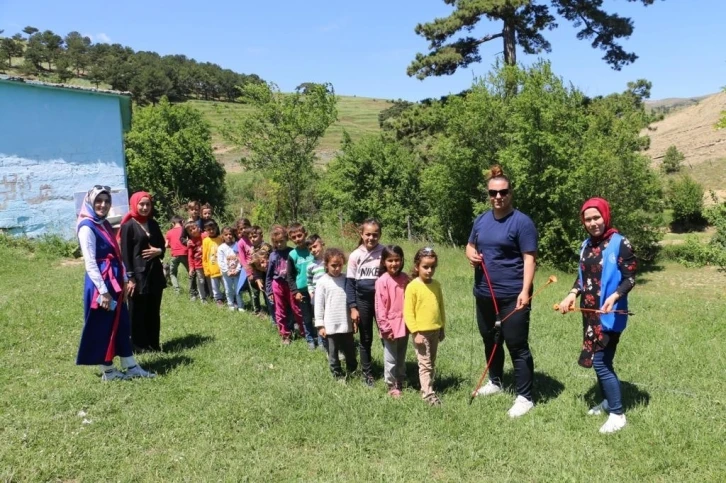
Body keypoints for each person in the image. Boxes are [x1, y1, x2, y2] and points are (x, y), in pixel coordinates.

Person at [557, 197, 636, 434]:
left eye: (596, 217)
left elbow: (630, 277)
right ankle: (607, 402)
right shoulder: (585, 245)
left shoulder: (620, 242)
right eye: (588, 219)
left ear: (605, 216)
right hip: (590, 313)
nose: (593, 223)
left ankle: (617, 414)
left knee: (601, 362)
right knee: (600, 361)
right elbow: (583, 278)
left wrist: (614, 297)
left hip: (610, 314)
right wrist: (572, 294)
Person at [466, 164, 538, 418]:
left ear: (510, 193)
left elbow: (530, 259)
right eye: (493, 193)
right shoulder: (481, 220)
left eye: (503, 192)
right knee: (490, 339)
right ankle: (495, 381)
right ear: (488, 194)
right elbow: (470, 245)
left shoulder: (522, 223)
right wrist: (470, 254)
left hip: (512, 295)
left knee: (517, 345)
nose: (498, 197)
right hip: (484, 293)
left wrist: (525, 291)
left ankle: (525, 397)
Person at [76, 186, 154, 380]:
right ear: (90, 202)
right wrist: (103, 291)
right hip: (101, 284)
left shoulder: (103, 223)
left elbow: (117, 254)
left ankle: (131, 366)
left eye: (106, 201)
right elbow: (90, 262)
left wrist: (125, 279)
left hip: (114, 281)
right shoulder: (87, 226)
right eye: (98, 201)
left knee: (121, 323)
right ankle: (108, 370)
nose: (103, 205)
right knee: (103, 325)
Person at [119, 191, 167, 353]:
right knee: (137, 311)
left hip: (155, 274)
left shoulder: (153, 224)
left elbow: (162, 245)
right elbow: (125, 254)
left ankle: (153, 344)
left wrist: (158, 251)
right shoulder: (128, 226)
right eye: (142, 204)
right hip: (137, 276)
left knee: (153, 310)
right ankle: (138, 346)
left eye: (148, 204)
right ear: (134, 204)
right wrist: (130, 278)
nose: (145, 207)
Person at [346, 218, 385, 387]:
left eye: (375, 235)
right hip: (363, 302)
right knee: (366, 338)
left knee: (386, 336)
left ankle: (391, 371)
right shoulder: (355, 255)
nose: (371, 238)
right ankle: (367, 374)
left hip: (383, 301)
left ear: (380, 235)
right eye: (367, 234)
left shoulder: (385, 252)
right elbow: (350, 284)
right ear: (361, 234)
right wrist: (353, 307)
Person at [404, 247, 445, 406]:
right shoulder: (413, 286)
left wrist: (442, 327)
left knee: (431, 362)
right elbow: (408, 312)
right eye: (425, 267)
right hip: (421, 333)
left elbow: (440, 306)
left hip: (435, 330)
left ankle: (429, 387)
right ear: (417, 267)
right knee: (425, 364)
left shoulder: (436, 285)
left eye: (432, 267)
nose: (429, 270)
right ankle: (427, 394)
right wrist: (415, 332)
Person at [315, 248, 358, 380]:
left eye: (340, 265)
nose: (337, 268)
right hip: (330, 325)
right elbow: (318, 304)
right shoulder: (322, 281)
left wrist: (354, 321)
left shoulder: (347, 279)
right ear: (326, 264)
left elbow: (352, 300)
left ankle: (353, 371)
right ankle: (337, 373)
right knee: (333, 351)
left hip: (346, 323)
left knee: (350, 349)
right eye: (333, 265)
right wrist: (320, 325)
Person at [375, 245, 409, 398]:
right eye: (390, 260)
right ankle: (391, 384)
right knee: (391, 358)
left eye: (397, 260)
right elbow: (380, 307)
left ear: (402, 261)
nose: (394, 263)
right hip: (389, 327)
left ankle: (400, 379)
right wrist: (385, 328)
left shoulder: (406, 278)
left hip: (405, 325)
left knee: (401, 355)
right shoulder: (382, 281)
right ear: (383, 262)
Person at [266, 225, 307, 345]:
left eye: (281, 241)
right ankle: (285, 334)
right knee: (280, 311)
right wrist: (269, 291)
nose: (279, 244)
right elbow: (268, 275)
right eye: (276, 242)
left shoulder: (292, 252)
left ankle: (304, 331)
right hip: (277, 285)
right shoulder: (273, 255)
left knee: (297, 309)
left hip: (291, 285)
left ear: (287, 239)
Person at [286, 223, 317, 350]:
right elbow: (290, 276)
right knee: (306, 316)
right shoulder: (292, 255)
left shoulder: (312, 249)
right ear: (291, 238)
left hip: (316, 289)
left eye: (300, 235)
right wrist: (295, 291)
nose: (298, 239)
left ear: (305, 234)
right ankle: (310, 338)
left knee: (318, 314)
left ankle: (321, 339)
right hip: (302, 291)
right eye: (294, 237)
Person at [306, 234, 327, 351]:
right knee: (319, 318)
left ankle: (331, 339)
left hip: (329, 295)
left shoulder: (329, 261)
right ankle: (321, 342)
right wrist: (311, 292)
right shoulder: (310, 266)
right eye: (310, 249)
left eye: (315, 246)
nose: (313, 250)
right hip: (316, 296)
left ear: (322, 244)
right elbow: (309, 282)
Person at [218, 226, 244, 311]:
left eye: (230, 234)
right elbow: (220, 261)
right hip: (226, 274)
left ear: (233, 235)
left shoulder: (237, 245)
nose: (228, 236)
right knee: (228, 289)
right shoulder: (221, 247)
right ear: (222, 236)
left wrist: (237, 270)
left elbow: (241, 259)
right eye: (226, 234)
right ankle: (231, 305)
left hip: (237, 273)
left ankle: (240, 306)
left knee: (238, 289)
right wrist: (227, 271)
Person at [202, 220, 224, 306]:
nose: (211, 231)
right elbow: (204, 256)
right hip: (212, 268)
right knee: (215, 286)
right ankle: (218, 299)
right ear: (206, 230)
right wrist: (206, 269)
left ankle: (229, 297)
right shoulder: (205, 241)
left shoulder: (220, 239)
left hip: (222, 267)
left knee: (226, 284)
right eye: (209, 229)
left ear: (216, 228)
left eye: (213, 229)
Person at [185, 221, 208, 302]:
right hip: (198, 265)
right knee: (201, 281)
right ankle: (203, 298)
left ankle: (214, 296)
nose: (193, 231)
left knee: (210, 280)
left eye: (194, 228)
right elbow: (190, 256)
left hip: (208, 263)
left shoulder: (205, 236)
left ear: (198, 227)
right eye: (190, 231)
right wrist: (191, 267)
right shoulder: (191, 242)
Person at [165, 215, 188, 294]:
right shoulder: (184, 229)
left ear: (172, 223)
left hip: (174, 255)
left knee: (172, 273)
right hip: (185, 253)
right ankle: (194, 290)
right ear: (182, 222)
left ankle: (177, 290)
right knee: (191, 272)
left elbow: (166, 245)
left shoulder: (169, 232)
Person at [250, 250, 274, 323]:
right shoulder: (260, 273)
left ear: (267, 258)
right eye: (259, 266)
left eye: (263, 262)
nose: (263, 265)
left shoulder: (274, 266)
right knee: (271, 305)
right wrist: (258, 280)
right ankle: (274, 322)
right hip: (269, 291)